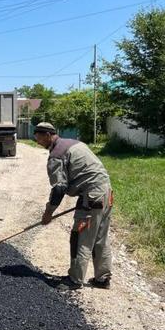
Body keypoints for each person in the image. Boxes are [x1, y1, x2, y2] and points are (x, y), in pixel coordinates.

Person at [34, 122, 113, 291]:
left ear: (48, 135)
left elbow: (59, 188)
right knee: (100, 237)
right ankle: (102, 278)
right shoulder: (74, 143)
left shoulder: (57, 154)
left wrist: (48, 212)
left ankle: (75, 279)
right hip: (105, 191)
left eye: (39, 138)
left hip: (91, 196)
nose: (38, 142)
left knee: (81, 236)